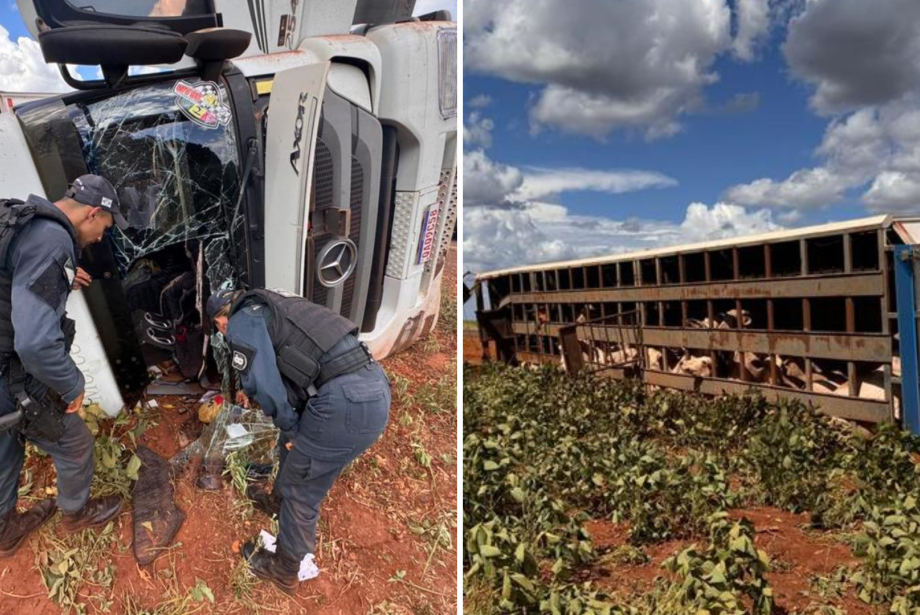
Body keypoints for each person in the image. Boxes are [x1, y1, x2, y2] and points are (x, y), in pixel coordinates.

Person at [207, 287, 390, 594]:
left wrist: (293, 430)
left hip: (344, 405)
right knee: (290, 448)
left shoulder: (241, 320)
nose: (224, 332)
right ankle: (278, 503)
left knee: (301, 489)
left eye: (220, 326)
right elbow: (290, 357)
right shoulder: (273, 302)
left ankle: (285, 570)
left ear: (223, 318)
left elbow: (267, 388)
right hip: (371, 384)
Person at [0, 174, 129, 558]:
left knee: (5, 445)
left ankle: (4, 531)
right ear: (92, 213)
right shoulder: (54, 242)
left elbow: (18, 275)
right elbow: (36, 343)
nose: (99, 239)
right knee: (74, 444)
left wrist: (61, 276)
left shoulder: (21, 219)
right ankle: (75, 513)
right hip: (8, 375)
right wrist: (72, 385)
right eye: (103, 229)